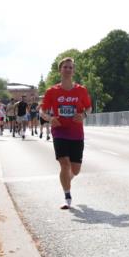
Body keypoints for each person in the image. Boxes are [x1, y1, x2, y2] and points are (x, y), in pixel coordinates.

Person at [39, 58, 92, 209]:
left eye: (70, 67)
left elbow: (89, 108)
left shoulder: (81, 90)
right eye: (65, 67)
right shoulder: (52, 91)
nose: (68, 69)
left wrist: (83, 116)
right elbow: (42, 110)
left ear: (73, 70)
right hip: (59, 131)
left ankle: (67, 180)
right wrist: (49, 118)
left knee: (75, 170)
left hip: (76, 133)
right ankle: (67, 196)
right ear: (60, 70)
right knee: (64, 164)